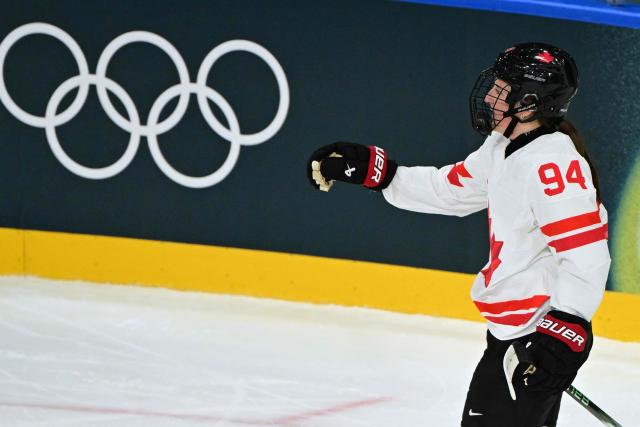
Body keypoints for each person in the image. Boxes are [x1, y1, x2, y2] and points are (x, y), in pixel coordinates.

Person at [307, 42, 611, 426]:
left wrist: (569, 325)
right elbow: (450, 189)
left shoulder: (553, 164)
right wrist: (384, 175)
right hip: (511, 334)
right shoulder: (504, 146)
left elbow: (585, 252)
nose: (489, 96)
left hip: (534, 337)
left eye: (502, 89)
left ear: (531, 102)